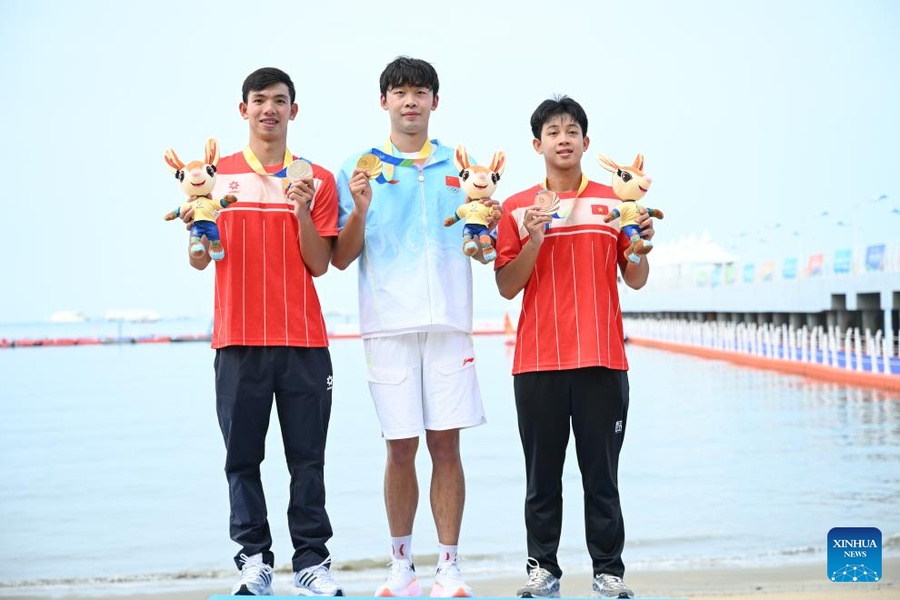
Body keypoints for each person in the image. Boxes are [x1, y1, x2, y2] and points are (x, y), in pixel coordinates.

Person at [331, 56, 490, 598]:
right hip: (386, 325)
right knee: (401, 446)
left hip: (449, 321)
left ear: (434, 102)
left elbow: (483, 243)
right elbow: (339, 258)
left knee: (446, 445)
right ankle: (401, 564)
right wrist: (359, 207)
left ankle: (448, 566)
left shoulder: (461, 165)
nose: (410, 102)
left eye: (420, 92)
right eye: (400, 93)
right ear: (384, 102)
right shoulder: (357, 166)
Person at [186, 67, 343, 597]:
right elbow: (199, 262)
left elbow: (321, 264)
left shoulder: (316, 178)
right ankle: (253, 560)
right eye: (259, 100)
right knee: (241, 459)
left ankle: (311, 564)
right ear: (243, 110)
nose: (269, 109)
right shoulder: (216, 176)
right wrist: (194, 229)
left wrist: (300, 209)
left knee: (308, 460)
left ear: (293, 111)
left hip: (303, 341)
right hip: (237, 340)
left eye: (279, 101)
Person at [493, 96, 655, 599]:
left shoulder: (617, 202)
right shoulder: (517, 207)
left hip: (603, 359)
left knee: (601, 478)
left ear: (587, 142)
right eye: (552, 131)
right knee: (542, 480)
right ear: (536, 144)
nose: (563, 138)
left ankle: (609, 572)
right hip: (538, 363)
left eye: (572, 130)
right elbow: (505, 286)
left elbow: (637, 278)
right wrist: (535, 238)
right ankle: (542, 570)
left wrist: (641, 245)